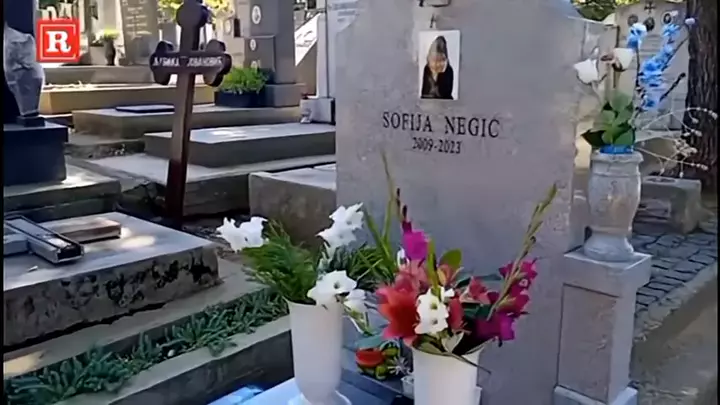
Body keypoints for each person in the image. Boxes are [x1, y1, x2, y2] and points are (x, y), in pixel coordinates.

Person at [420, 35, 454, 100]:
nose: (437, 64)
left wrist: (440, 74)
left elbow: (445, 93)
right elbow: (425, 92)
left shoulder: (448, 70)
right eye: (434, 58)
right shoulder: (426, 69)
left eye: (441, 59)